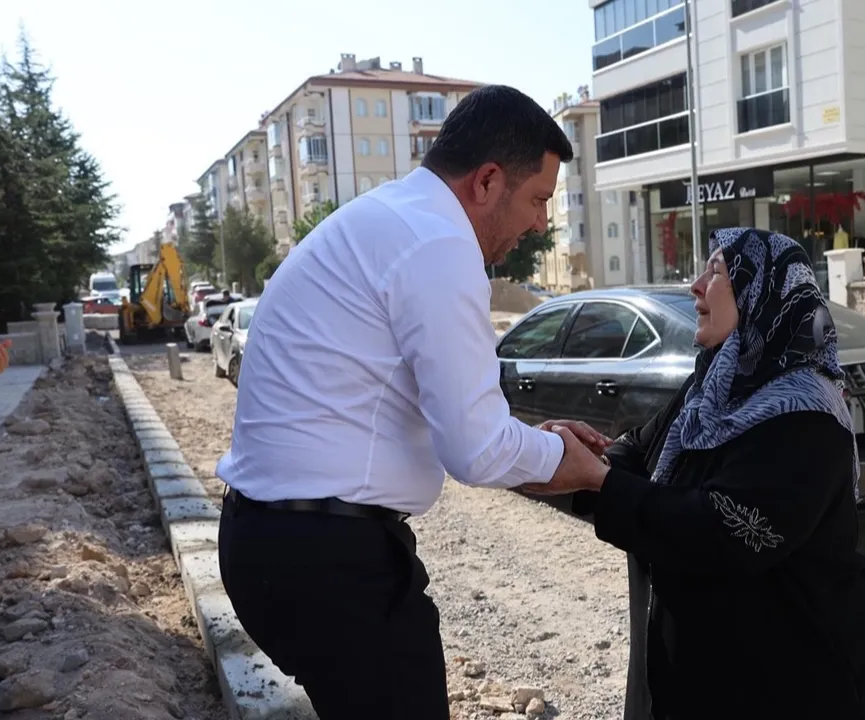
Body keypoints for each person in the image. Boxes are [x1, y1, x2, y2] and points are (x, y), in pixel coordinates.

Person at [214, 84, 611, 719]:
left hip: (277, 540)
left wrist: (536, 441)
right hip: (329, 561)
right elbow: (478, 450)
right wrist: (573, 463)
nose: (541, 223)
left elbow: (419, 403)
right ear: (487, 181)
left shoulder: (390, 220)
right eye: (538, 199)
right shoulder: (438, 243)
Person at [525, 228, 865, 719]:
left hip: (805, 673)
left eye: (716, 272)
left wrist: (601, 482)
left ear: (760, 291)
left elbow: (726, 530)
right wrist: (581, 454)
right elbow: (643, 450)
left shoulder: (806, 416)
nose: (695, 285)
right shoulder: (715, 384)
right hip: (719, 668)